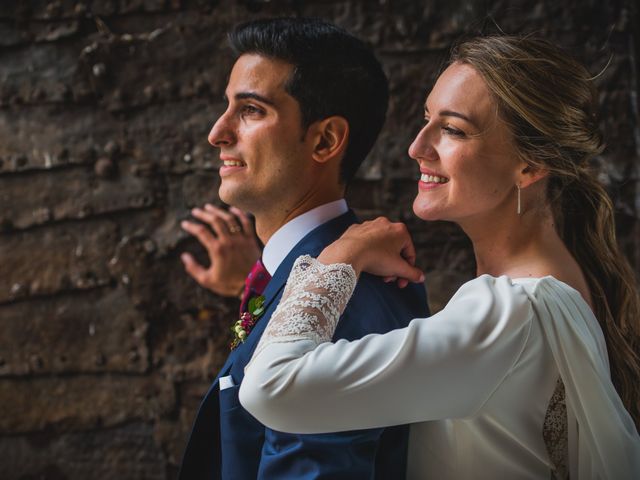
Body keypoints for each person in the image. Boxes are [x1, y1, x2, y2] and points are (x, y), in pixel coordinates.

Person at [240, 35, 640, 479]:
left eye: (452, 129)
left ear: (529, 165)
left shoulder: (511, 312)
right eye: (427, 119)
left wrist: (341, 254)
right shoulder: (557, 284)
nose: (417, 147)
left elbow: (271, 388)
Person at [177, 17, 429, 480]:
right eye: (226, 106)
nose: (217, 132)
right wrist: (246, 284)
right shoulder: (287, 274)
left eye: (250, 110)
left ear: (325, 139)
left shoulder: (347, 298)